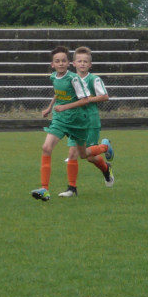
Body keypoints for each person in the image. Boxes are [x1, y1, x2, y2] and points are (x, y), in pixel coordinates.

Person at [32, 46, 93, 201]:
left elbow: (85, 100)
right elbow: (58, 93)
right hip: (60, 119)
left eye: (63, 61)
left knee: (83, 154)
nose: (60, 63)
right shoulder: (53, 77)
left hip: (77, 120)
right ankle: (45, 190)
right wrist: (49, 108)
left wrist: (65, 107)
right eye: (57, 61)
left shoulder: (74, 78)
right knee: (46, 148)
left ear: (68, 63)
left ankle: (104, 147)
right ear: (52, 64)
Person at [64, 46, 115, 195]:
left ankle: (105, 150)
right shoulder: (70, 79)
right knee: (72, 153)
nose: (82, 63)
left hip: (90, 121)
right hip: (75, 121)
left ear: (90, 64)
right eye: (79, 61)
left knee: (90, 157)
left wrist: (87, 100)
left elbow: (105, 96)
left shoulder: (94, 79)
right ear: (74, 63)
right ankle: (72, 188)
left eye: (85, 61)